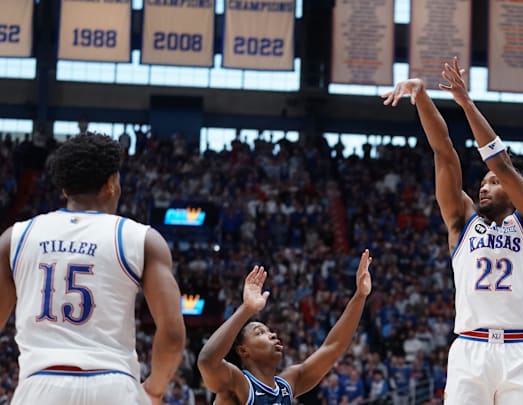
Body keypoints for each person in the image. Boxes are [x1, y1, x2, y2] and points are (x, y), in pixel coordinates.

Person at [382, 57, 523, 404]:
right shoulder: (463, 221)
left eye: (493, 184)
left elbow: (501, 165)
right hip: (469, 349)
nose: (484, 188)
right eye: (483, 183)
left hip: (518, 351)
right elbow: (444, 152)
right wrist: (422, 97)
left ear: (517, 189)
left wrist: (466, 103)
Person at [0, 133, 186, 404]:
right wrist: (155, 390)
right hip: (114, 386)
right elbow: (172, 334)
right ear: (111, 184)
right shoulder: (141, 239)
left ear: (65, 190)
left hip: (39, 386)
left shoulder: (15, 238)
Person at [197, 249, 373, 405]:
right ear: (243, 351)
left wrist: (360, 296)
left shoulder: (287, 384)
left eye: (269, 331)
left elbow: (333, 347)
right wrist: (246, 309)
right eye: (260, 332)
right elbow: (206, 361)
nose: (272, 335)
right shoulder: (237, 383)